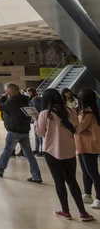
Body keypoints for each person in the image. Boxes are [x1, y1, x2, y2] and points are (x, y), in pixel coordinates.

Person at [33, 88, 94, 221]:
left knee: (59, 181)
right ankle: (83, 212)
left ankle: (65, 211)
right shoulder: (71, 111)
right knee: (72, 181)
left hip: (51, 152)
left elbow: (40, 132)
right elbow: (77, 129)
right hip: (70, 151)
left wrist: (35, 119)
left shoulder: (45, 114)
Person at [0, 83, 42, 183]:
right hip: (24, 130)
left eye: (7, 90)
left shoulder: (13, 100)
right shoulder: (25, 99)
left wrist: (2, 98)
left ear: (12, 90)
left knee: (7, 150)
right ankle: (36, 175)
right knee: (29, 154)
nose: (6, 92)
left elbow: (1, 107)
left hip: (14, 130)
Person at [75, 89, 100, 210]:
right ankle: (87, 194)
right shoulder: (87, 112)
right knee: (85, 171)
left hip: (89, 146)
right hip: (83, 145)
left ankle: (99, 198)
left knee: (93, 173)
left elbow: (78, 128)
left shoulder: (87, 113)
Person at [27, 87, 44, 157]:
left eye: (28, 93)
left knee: (39, 135)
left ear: (31, 92)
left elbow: (35, 110)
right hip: (36, 118)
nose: (28, 94)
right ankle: (37, 149)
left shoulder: (35, 100)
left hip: (37, 119)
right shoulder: (37, 99)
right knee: (36, 135)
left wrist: (35, 118)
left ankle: (42, 150)